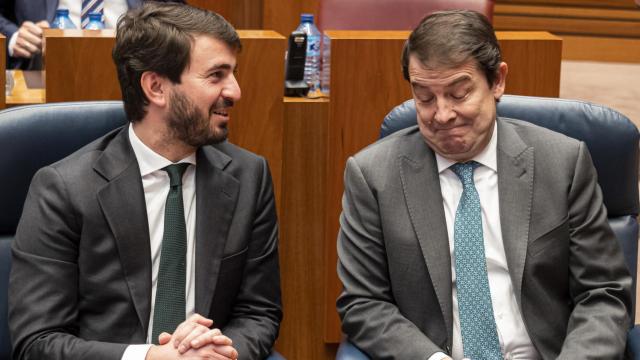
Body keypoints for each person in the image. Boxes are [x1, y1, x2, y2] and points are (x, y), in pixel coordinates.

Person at [336, 10, 632, 360]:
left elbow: (603, 293)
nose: (442, 115)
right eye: (425, 98)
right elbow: (363, 302)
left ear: (497, 81)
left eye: (459, 94)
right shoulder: (372, 175)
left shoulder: (562, 163)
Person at [9, 3, 281, 360]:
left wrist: (224, 353)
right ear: (156, 87)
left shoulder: (248, 176)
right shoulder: (63, 188)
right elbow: (37, 341)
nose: (235, 91)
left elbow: (258, 313)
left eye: (233, 74)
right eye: (216, 75)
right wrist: (150, 357)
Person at [0, 0, 183, 69]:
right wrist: (14, 36)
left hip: (132, 73)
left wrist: (151, 33)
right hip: (42, 73)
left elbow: (177, 14)